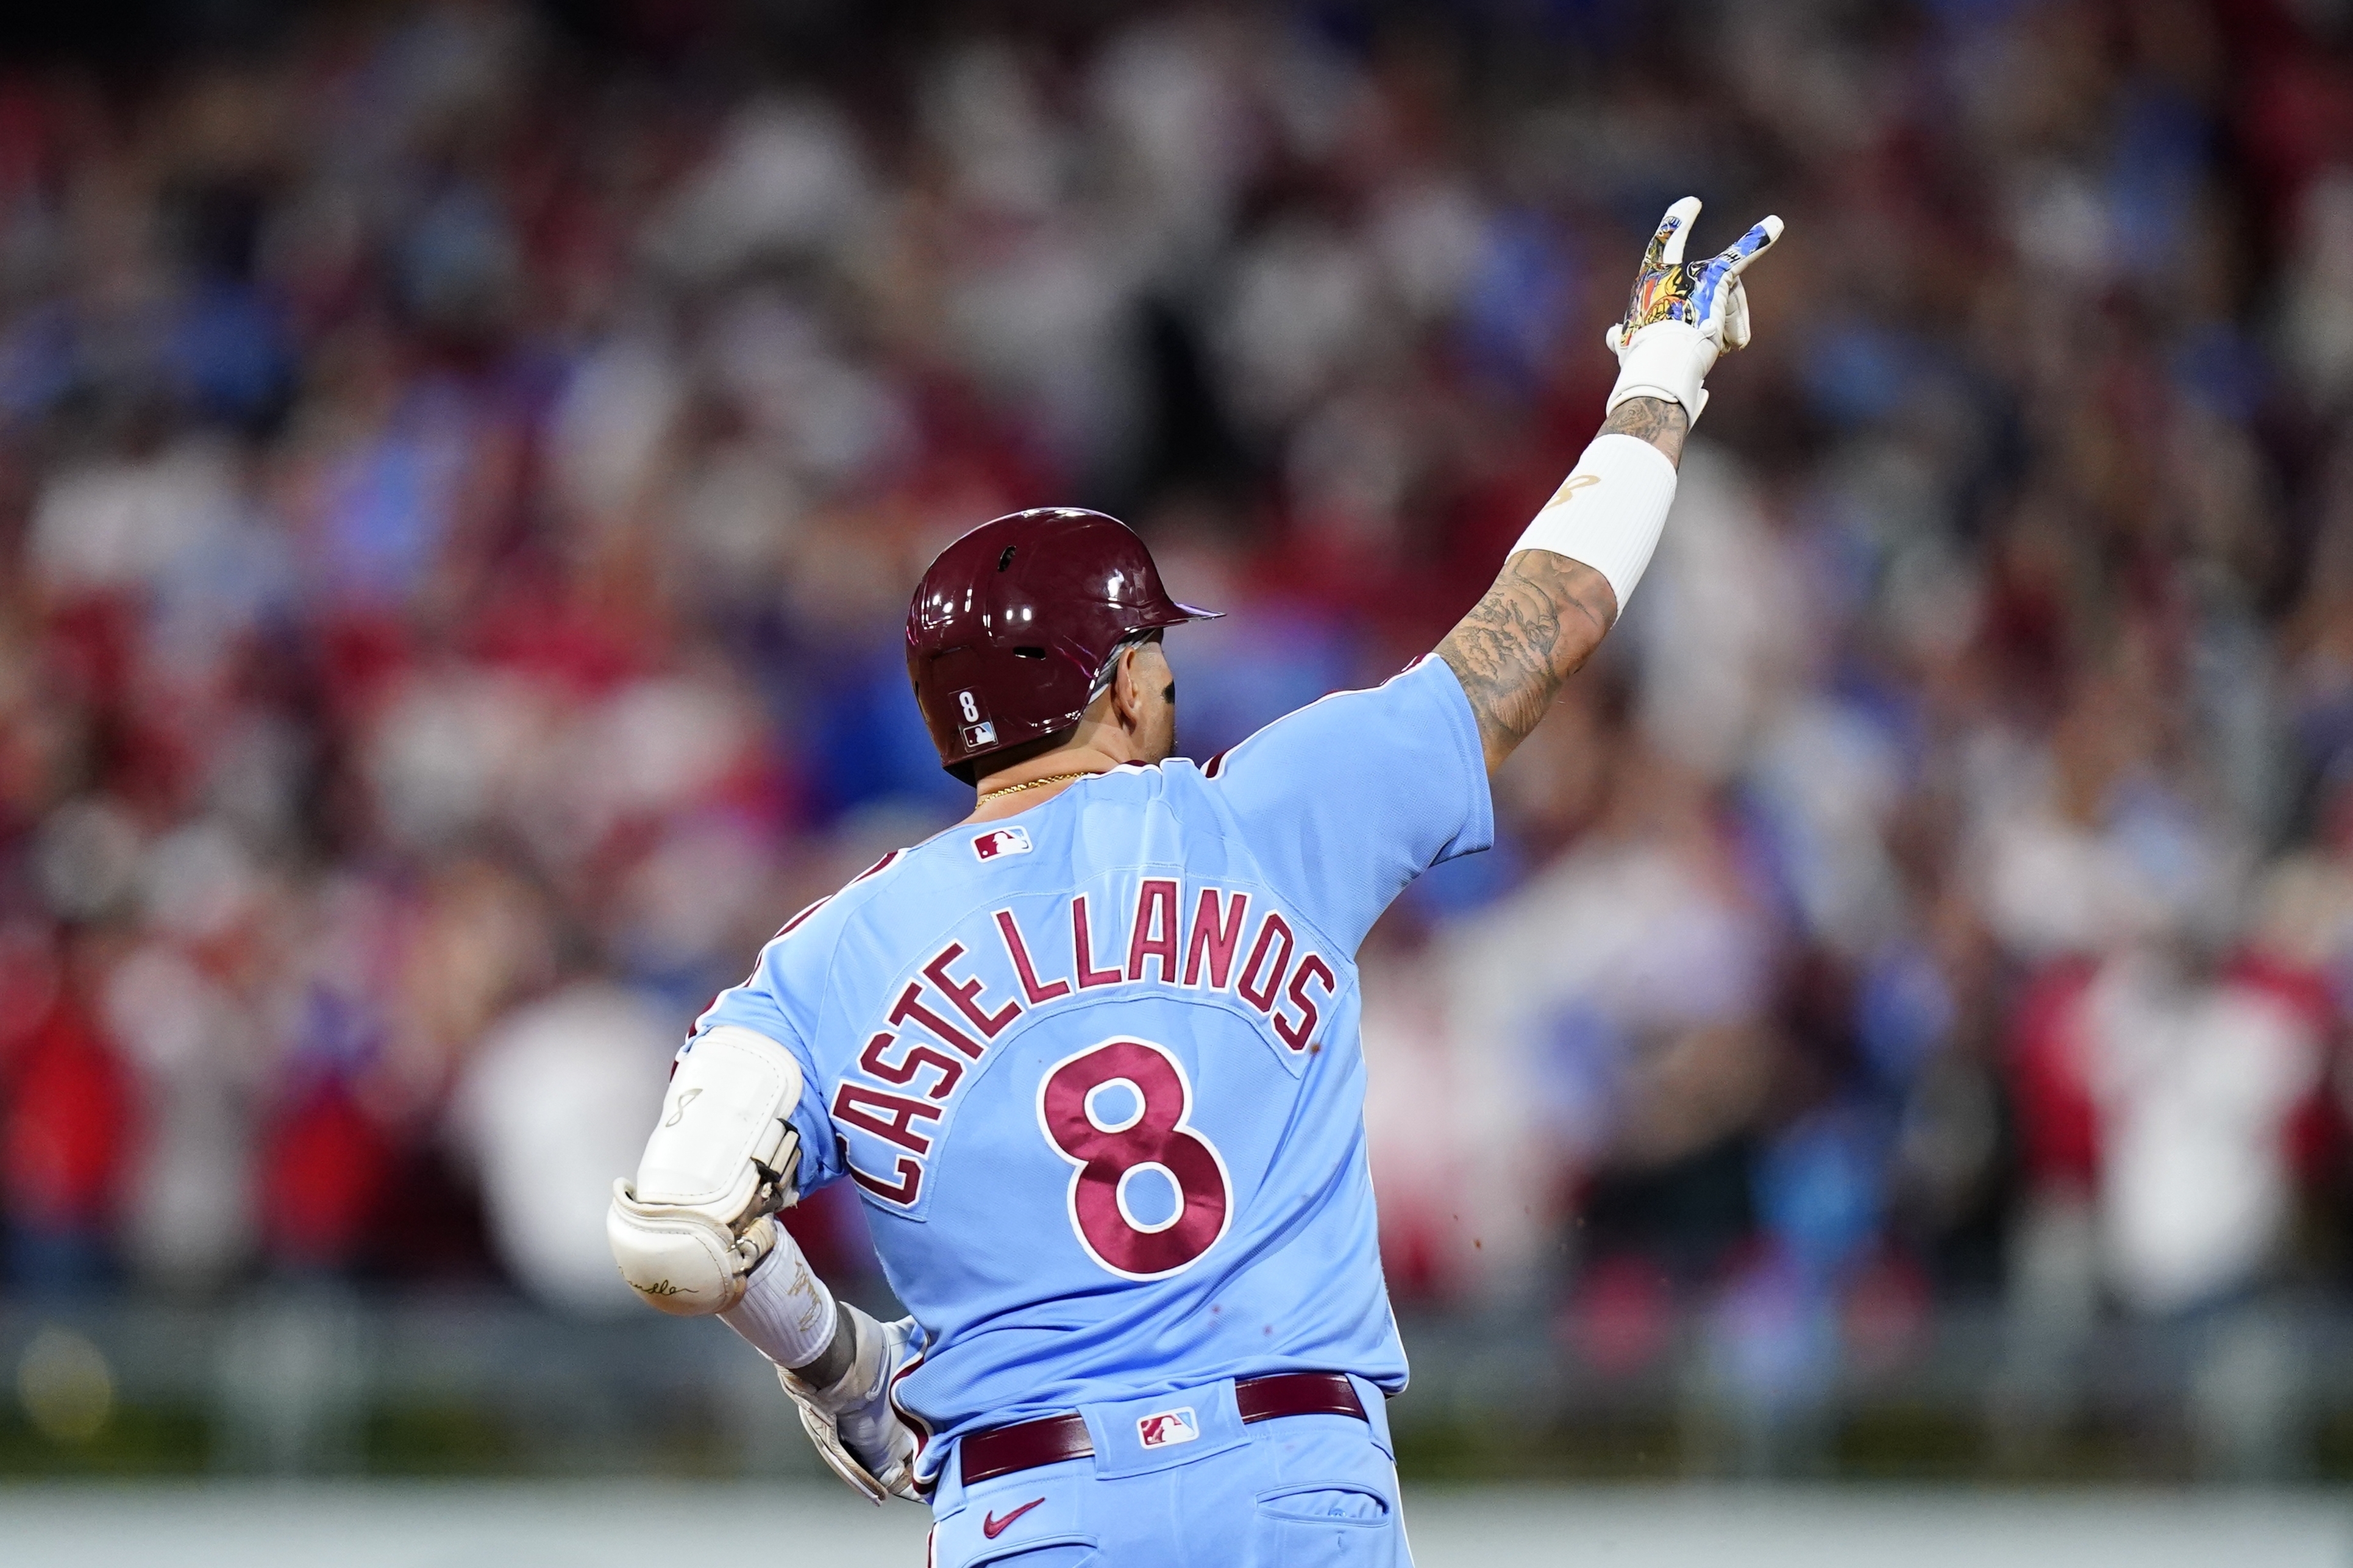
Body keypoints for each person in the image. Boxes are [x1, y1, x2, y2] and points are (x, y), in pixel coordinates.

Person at [605, 197, 1779, 1564]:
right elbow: (1544, 621)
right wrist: (1656, 379)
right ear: (1123, 682)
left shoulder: (830, 953)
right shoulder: (1271, 813)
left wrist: (841, 1364)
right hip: (1299, 1479)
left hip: (1032, 1505)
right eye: (1152, 647)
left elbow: (680, 1230)